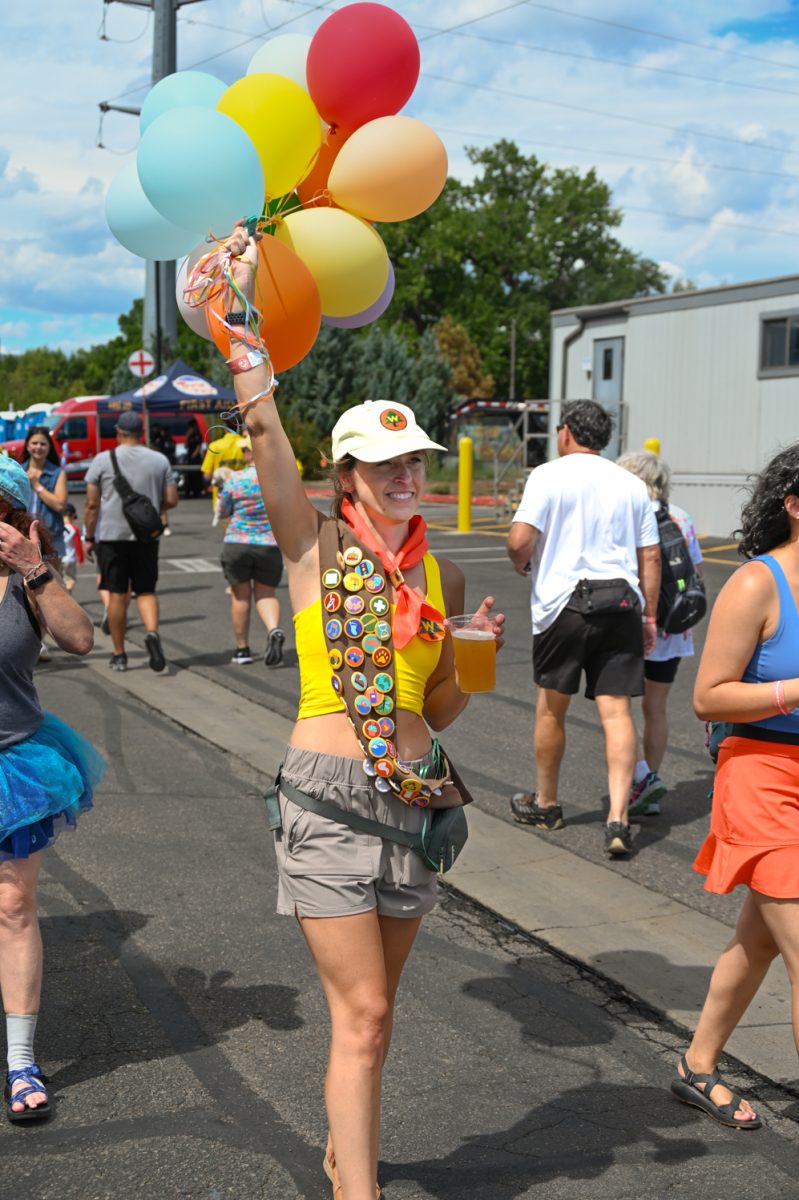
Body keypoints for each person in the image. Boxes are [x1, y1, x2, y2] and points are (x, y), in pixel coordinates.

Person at [222, 223, 504, 1200]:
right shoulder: (317, 554)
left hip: (419, 794)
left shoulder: (442, 570)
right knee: (365, 1011)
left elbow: (441, 707)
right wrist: (242, 325)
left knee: (375, 1019)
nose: (404, 476)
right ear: (346, 478)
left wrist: (477, 661)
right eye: (384, 465)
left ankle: (349, 1151)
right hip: (330, 794)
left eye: (415, 461)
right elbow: (262, 437)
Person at [670, 443, 799, 1130]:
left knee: (760, 938)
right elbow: (708, 697)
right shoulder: (757, 583)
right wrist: (793, 691)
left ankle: (695, 1063)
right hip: (759, 770)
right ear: (793, 504)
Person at [506, 401, 661, 856]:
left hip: (564, 605)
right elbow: (649, 556)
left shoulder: (548, 475)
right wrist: (649, 617)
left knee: (552, 708)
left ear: (567, 432)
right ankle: (618, 819)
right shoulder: (632, 485)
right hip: (621, 602)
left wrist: (524, 563)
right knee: (617, 713)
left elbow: (519, 539)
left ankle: (547, 803)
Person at [0, 456, 103, 1122]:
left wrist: (34, 568)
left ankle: (20, 1062)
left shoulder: (27, 580)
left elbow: (81, 639)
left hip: (14, 761)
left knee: (12, 904)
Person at [617, 451, 704, 816]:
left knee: (618, 708)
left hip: (634, 624)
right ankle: (650, 779)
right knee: (656, 709)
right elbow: (695, 567)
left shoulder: (627, 515)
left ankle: (639, 780)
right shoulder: (680, 516)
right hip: (673, 628)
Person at [83, 411, 178, 673]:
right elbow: (171, 499)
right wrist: (149, 508)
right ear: (141, 433)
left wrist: (89, 537)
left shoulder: (102, 460)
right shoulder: (159, 460)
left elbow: (91, 504)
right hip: (146, 537)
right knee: (146, 590)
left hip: (112, 536)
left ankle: (119, 654)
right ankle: (152, 633)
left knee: (116, 593)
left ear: (118, 432)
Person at [216, 434, 286, 667]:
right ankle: (273, 629)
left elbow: (223, 509)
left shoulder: (235, 479)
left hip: (237, 542)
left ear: (249, 452)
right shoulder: (276, 478)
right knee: (266, 595)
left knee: (241, 596)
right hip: (269, 543)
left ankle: (242, 649)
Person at [22, 426, 67, 565]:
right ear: (27, 446)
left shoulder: (57, 473)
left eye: (43, 444)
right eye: (34, 443)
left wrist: (37, 485)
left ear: (49, 447)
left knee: (52, 582)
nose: (38, 447)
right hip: (23, 535)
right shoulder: (18, 471)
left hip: (51, 538)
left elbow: (60, 505)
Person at [61, 502, 84, 594]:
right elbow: (78, 545)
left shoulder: (58, 527)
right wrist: (81, 559)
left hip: (60, 558)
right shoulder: (74, 528)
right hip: (70, 559)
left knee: (59, 579)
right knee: (70, 579)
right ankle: (67, 594)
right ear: (72, 515)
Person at [182, 417, 205, 499]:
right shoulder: (190, 436)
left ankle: (196, 491)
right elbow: (185, 446)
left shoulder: (197, 435)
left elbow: (198, 447)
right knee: (188, 475)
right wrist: (187, 436)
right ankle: (188, 491)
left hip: (195, 458)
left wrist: (193, 456)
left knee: (196, 475)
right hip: (189, 456)